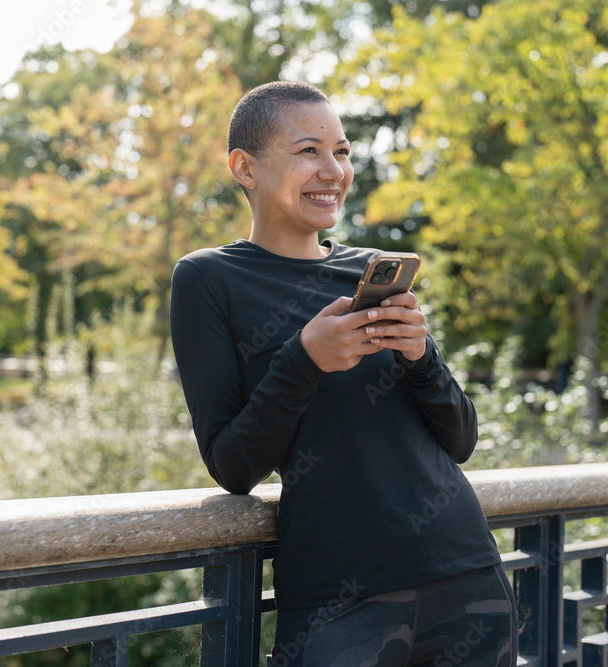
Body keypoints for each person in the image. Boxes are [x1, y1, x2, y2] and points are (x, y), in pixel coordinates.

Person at [169, 81, 517, 666]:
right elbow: (233, 465)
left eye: (343, 151)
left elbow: (461, 440)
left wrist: (419, 355)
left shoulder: (371, 273)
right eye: (309, 151)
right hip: (339, 601)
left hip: (466, 573)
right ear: (244, 168)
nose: (332, 169)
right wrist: (304, 360)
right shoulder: (207, 279)